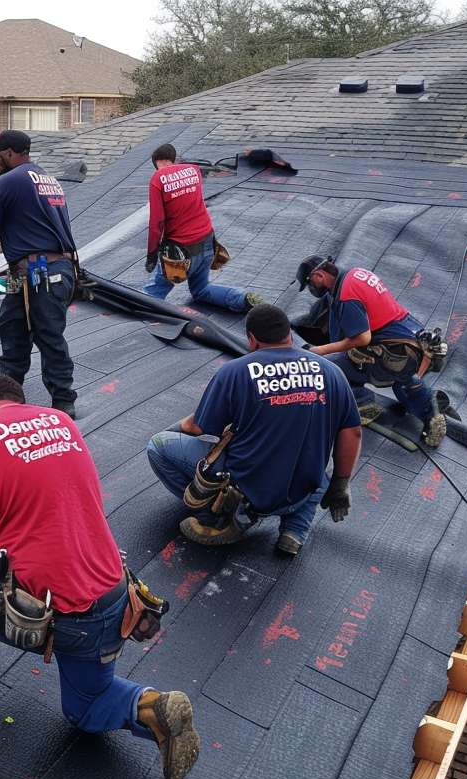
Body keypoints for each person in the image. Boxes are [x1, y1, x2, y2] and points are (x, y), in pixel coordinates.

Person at [0, 374, 201, 779]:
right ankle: (153, 707)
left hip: (64, 618)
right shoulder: (61, 423)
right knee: (85, 708)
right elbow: (30, 525)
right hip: (115, 604)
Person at [146, 304, 362, 554]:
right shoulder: (331, 372)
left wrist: (176, 429)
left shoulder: (235, 372)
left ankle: (220, 513)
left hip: (248, 490)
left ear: (252, 339)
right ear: (289, 334)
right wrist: (340, 484)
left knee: (158, 446)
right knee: (323, 466)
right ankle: (295, 529)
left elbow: (199, 427)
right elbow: (352, 432)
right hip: (301, 489)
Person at [0, 130, 78, 417]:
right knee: (11, 327)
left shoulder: (9, 181)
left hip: (40, 270)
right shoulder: (47, 179)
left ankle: (64, 404)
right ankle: (8, 398)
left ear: (8, 153)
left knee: (48, 335)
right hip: (37, 270)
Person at [295, 255, 447, 447]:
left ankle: (362, 403)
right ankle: (426, 402)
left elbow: (362, 338)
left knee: (327, 370)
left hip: (396, 352)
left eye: (310, 284)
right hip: (411, 339)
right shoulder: (355, 274)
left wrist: (319, 350)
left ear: (318, 275)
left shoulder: (346, 294)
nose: (311, 289)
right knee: (403, 388)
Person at [144, 143, 262, 312]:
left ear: (156, 162)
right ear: (173, 158)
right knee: (201, 290)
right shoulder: (193, 170)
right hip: (207, 241)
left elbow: (157, 222)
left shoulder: (158, 179)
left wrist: (151, 254)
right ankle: (242, 298)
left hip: (180, 251)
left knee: (149, 297)